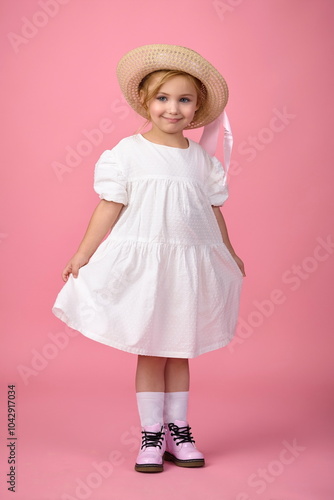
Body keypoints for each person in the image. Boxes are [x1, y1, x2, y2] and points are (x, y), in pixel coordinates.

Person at [52, 44, 245, 473]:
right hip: (146, 268)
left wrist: (230, 253)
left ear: (197, 108)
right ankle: (151, 436)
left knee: (181, 349)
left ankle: (180, 429)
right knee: (151, 349)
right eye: (162, 98)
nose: (172, 108)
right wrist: (82, 254)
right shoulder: (127, 153)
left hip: (187, 268)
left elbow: (214, 213)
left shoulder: (201, 162)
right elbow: (108, 205)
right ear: (145, 100)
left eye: (183, 99)